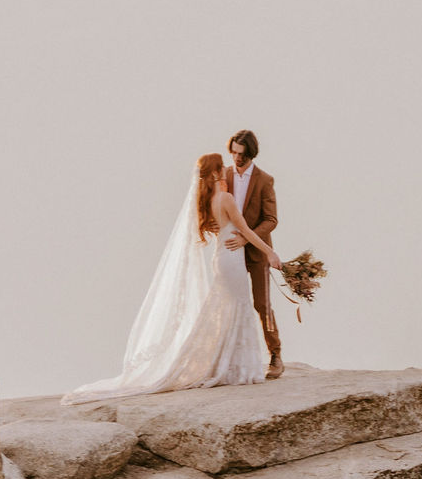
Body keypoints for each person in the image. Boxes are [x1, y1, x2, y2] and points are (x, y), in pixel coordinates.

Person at [64, 151, 281, 402]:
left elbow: (217, 227)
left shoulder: (208, 200)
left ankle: (229, 365)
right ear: (214, 173)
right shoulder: (227, 199)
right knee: (238, 308)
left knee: (230, 310)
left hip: (221, 259)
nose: (226, 168)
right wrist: (270, 253)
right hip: (232, 260)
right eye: (221, 166)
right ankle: (236, 367)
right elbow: (246, 232)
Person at [220, 130, 283, 379]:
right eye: (233, 152)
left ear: (251, 154)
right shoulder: (222, 176)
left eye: (241, 154)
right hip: (229, 252)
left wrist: (247, 238)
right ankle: (229, 359)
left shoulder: (265, 180)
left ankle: (276, 355)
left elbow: (271, 219)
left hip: (256, 251)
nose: (236, 158)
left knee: (262, 304)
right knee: (228, 305)